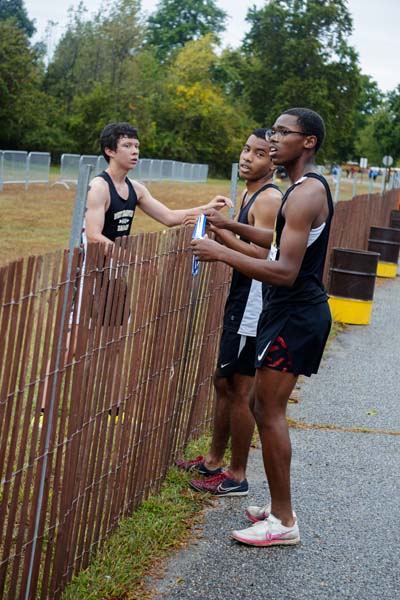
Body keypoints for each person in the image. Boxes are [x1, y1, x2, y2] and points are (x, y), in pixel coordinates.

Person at [191, 108, 334, 546]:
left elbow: (285, 270)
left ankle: (284, 521)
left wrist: (221, 254)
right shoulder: (297, 190)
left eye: (283, 133)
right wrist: (230, 227)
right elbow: (273, 245)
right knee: (260, 407)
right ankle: (277, 508)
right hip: (287, 313)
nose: (273, 140)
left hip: (296, 315)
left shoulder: (305, 194)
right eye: (272, 131)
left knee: (268, 413)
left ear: (308, 141)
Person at [176, 128, 282, 496]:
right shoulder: (251, 194)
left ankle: (236, 475)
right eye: (245, 149)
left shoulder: (268, 198)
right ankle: (212, 461)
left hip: (254, 300)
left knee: (239, 386)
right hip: (241, 295)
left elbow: (261, 254)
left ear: (273, 161)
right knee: (223, 381)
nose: (248, 157)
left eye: (259, 153)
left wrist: (218, 237)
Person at [84, 122, 232, 246]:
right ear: (110, 151)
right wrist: (125, 258)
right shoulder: (99, 188)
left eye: (137, 146)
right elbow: (93, 236)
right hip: (91, 269)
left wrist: (207, 208)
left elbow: (169, 217)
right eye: (127, 146)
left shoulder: (136, 189)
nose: (135, 151)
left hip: (114, 265)